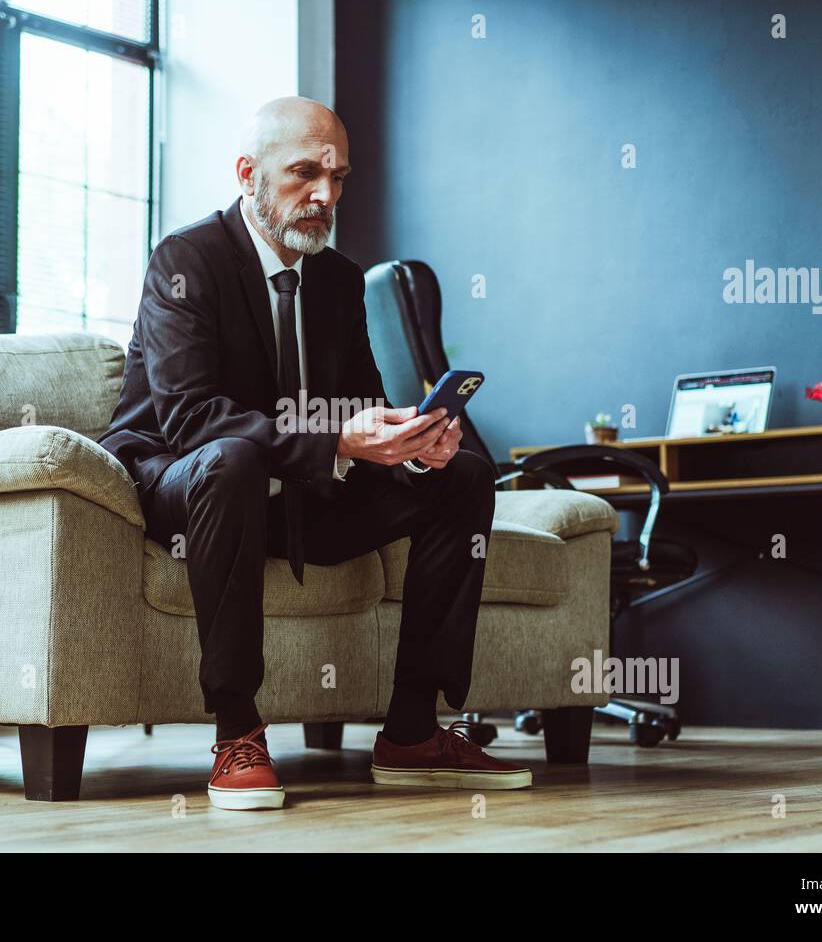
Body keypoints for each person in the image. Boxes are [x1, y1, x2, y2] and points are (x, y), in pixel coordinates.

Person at [98, 96, 530, 810]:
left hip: (298, 497)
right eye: (304, 173)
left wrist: (412, 443)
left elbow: (359, 408)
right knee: (232, 458)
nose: (325, 195)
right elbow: (189, 416)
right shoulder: (187, 260)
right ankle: (237, 730)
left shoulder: (336, 280)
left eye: (338, 178)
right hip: (186, 486)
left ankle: (413, 733)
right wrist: (335, 438)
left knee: (464, 477)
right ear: (248, 174)